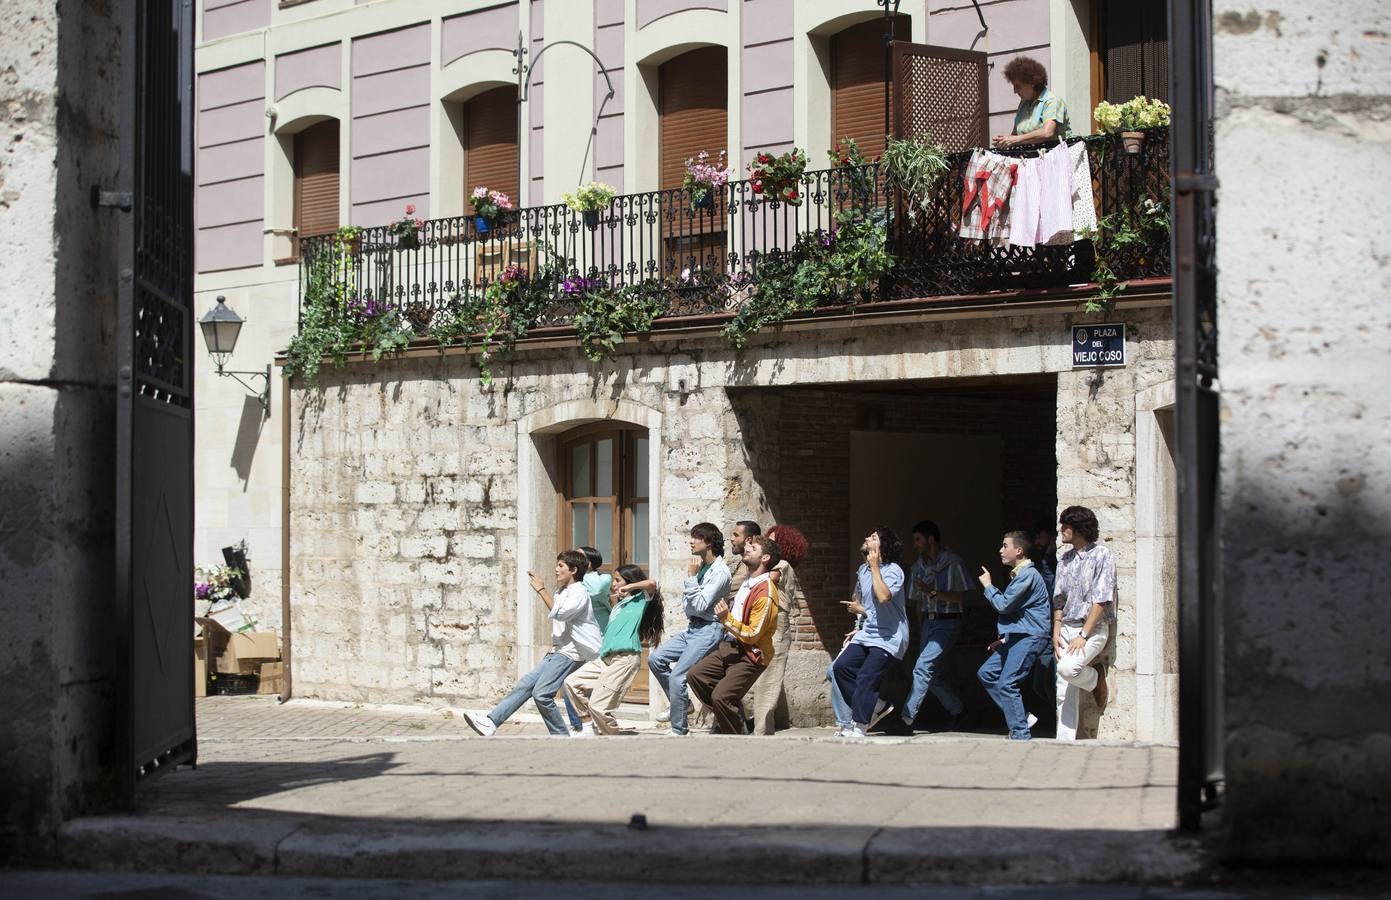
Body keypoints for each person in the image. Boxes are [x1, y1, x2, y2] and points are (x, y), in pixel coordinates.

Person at [464, 550, 601, 737]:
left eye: (561, 566)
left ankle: (560, 735)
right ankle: (491, 722)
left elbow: (561, 613)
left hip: (572, 652)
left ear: (574, 570)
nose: (556, 569)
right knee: (526, 685)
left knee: (542, 694)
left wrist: (540, 589)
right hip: (559, 650)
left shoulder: (580, 593)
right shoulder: (562, 591)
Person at [688, 535, 781, 734]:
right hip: (730, 646)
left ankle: (738, 738)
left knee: (721, 697)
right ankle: (731, 716)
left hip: (751, 654)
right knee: (696, 676)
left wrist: (725, 619)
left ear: (765, 558)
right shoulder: (749, 581)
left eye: (753, 548)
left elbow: (753, 634)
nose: (746, 549)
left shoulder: (766, 593)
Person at [648, 523, 731, 736]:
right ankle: (683, 703)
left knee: (678, 675)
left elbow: (701, 604)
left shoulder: (720, 572)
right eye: (691, 537)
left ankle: (679, 728)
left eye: (696, 537)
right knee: (656, 659)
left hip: (709, 629)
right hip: (692, 628)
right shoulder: (703, 566)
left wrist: (691, 577)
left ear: (710, 542)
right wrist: (693, 582)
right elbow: (689, 605)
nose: (691, 541)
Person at [564, 564, 664, 735]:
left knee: (599, 707)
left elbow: (652, 583)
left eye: (618, 580)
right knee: (571, 683)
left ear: (629, 581)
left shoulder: (640, 600)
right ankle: (587, 726)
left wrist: (630, 587)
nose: (614, 584)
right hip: (605, 659)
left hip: (624, 659)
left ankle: (614, 741)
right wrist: (617, 600)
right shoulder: (621, 603)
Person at [831, 528, 908, 739]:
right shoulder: (862, 570)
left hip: (890, 637)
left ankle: (859, 725)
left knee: (867, 676)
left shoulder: (894, 570)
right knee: (841, 667)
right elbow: (869, 607)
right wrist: (857, 626)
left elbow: (883, 597)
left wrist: (875, 566)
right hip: (868, 632)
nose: (866, 538)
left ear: (883, 546)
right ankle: (878, 706)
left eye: (873, 537)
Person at [976, 531, 1053, 741]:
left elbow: (1003, 605)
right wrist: (1005, 638)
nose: (1000, 550)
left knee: (1007, 683)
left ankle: (1020, 733)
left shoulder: (1028, 575)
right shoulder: (1020, 575)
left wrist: (988, 586)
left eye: (1004, 546)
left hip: (1031, 636)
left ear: (1018, 551)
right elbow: (1021, 614)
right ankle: (1022, 717)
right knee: (987, 673)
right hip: (1018, 636)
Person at [900, 520, 971, 732]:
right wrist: (921, 629)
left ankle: (906, 719)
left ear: (931, 539)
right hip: (929, 624)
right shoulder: (917, 568)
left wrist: (932, 592)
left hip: (948, 622)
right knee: (931, 675)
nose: (915, 545)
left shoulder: (953, 563)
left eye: (918, 540)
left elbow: (959, 598)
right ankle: (959, 711)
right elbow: (918, 605)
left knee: (922, 669)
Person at [1052, 505, 1116, 740]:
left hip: (1092, 629)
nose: (1061, 530)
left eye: (1065, 526)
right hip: (1066, 627)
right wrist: (1056, 630)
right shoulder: (1065, 559)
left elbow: (1101, 599)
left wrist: (1084, 634)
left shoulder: (1102, 555)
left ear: (1078, 528)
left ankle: (1096, 678)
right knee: (1063, 691)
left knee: (1068, 669)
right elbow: (1059, 598)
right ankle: (1065, 742)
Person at [748, 523, 807, 735]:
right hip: (766, 622)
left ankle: (761, 730)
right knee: (760, 676)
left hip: (776, 624)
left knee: (769, 678)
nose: (767, 543)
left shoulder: (781, 565)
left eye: (772, 540)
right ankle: (762, 727)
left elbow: (765, 581)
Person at [563, 546, 613, 736]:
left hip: (599, 638)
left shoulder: (603, 578)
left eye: (580, 558)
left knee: (594, 684)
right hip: (577, 638)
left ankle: (594, 722)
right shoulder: (574, 583)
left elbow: (596, 590)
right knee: (570, 682)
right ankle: (578, 723)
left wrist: (584, 573)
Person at [991, 55, 1070, 149]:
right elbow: (1015, 136)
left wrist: (1016, 139)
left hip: (1055, 159)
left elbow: (1047, 132)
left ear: (1032, 82)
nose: (1015, 91)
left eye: (1017, 86)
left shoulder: (1052, 101)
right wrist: (1004, 140)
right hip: (1032, 159)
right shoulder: (1023, 104)